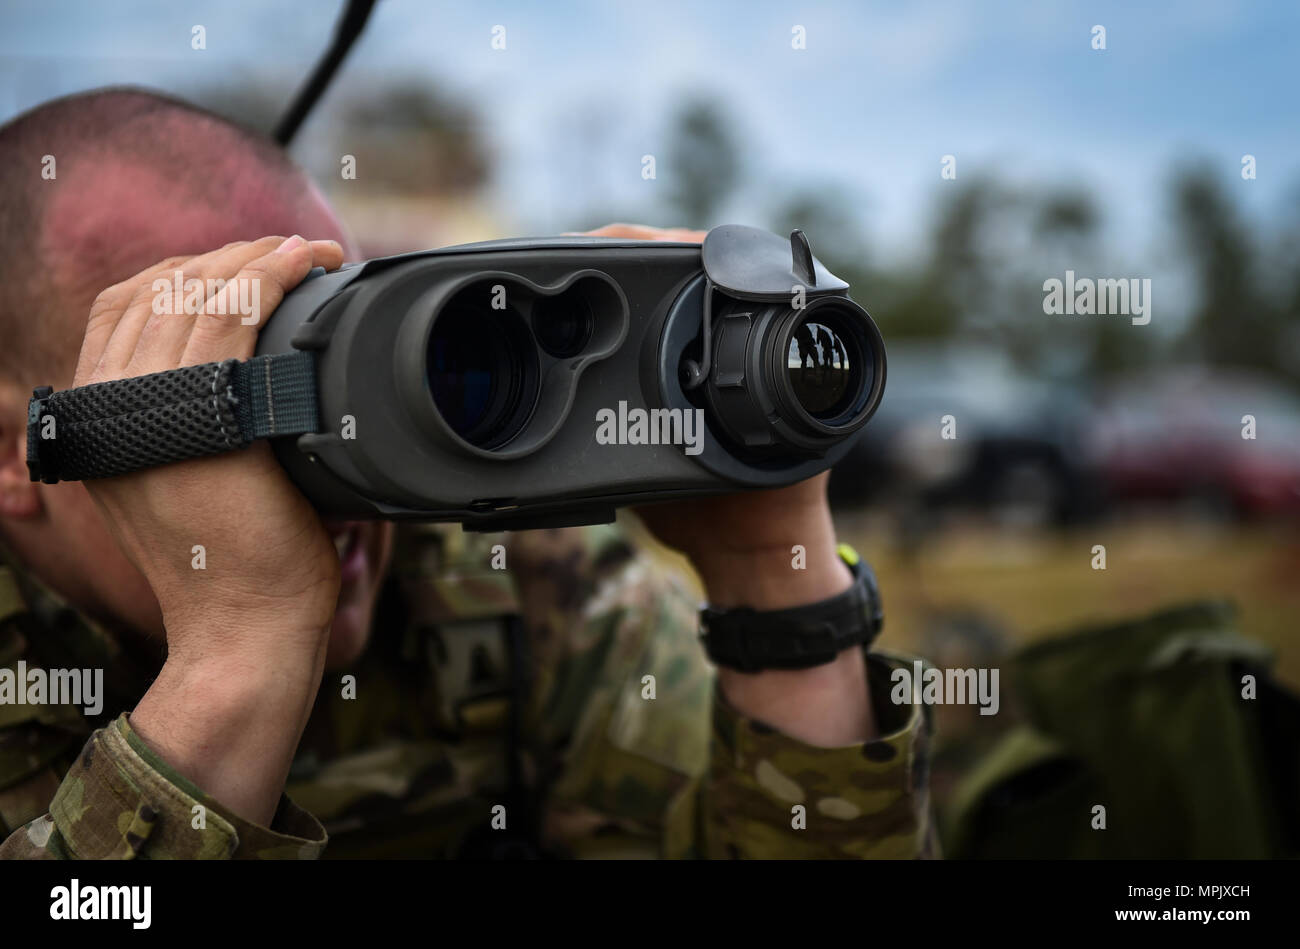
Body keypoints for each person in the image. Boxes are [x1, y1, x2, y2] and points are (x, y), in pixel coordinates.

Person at [0, 88, 935, 859]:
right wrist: (239, 653)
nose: (319, 447)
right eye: (224, 392)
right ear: (16, 454)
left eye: (333, 338)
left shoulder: (516, 585)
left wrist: (775, 582)